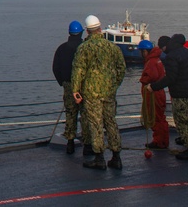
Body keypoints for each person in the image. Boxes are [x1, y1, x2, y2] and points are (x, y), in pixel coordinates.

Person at [71, 14, 126, 170]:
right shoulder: (113, 47)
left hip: (91, 94)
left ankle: (99, 158)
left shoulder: (84, 49)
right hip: (109, 93)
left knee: (95, 124)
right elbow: (121, 69)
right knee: (111, 122)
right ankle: (116, 157)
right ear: (100, 29)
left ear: (87, 31)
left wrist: (76, 91)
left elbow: (78, 71)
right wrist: (114, 85)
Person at [151, 33, 188, 161]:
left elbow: (171, 78)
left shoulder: (172, 57)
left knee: (183, 121)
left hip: (181, 94)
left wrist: (154, 86)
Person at [52, 20, 85, 154]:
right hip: (84, 87)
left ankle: (70, 142)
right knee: (86, 114)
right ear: (81, 32)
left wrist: (63, 83)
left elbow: (55, 68)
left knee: (70, 114)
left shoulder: (62, 48)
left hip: (68, 86)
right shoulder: (84, 47)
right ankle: (88, 144)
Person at [138, 39, 168, 149]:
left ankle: (159, 141)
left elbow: (152, 76)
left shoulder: (151, 62)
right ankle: (163, 140)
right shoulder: (157, 59)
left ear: (145, 51)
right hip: (159, 92)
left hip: (153, 93)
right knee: (160, 117)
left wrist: (143, 80)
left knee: (156, 118)